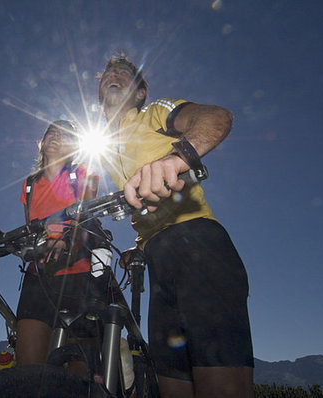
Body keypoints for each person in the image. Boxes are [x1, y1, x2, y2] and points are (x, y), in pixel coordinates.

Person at [98, 55, 254, 397]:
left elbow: (216, 117)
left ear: (141, 92)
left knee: (219, 381)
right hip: (157, 260)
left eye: (125, 74)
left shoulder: (154, 112)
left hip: (200, 246)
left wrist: (176, 158)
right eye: (109, 73)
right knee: (171, 383)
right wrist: (138, 247)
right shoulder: (106, 147)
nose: (114, 76)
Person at [15, 120, 108, 371]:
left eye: (65, 135)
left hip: (79, 277)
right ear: (42, 142)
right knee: (27, 372)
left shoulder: (82, 174)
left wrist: (66, 238)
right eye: (51, 132)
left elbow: (86, 216)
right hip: (39, 277)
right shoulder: (30, 184)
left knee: (81, 375)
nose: (56, 137)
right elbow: (30, 227)